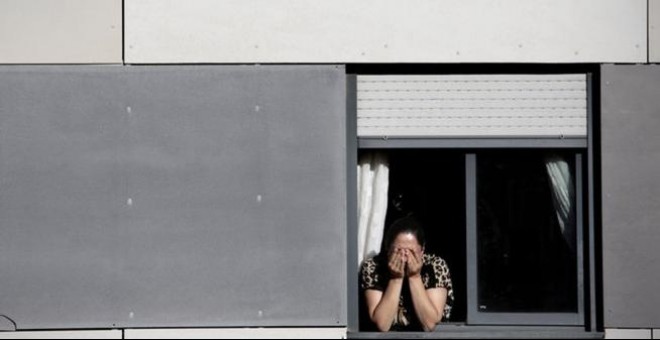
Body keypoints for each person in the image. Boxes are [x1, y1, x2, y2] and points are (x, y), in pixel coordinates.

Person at [360, 216, 454, 332]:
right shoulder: (373, 267)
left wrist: (414, 277)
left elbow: (429, 324)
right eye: (398, 251)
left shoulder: (435, 266)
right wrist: (396, 279)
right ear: (387, 249)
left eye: (411, 251)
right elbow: (382, 324)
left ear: (422, 250)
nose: (404, 257)